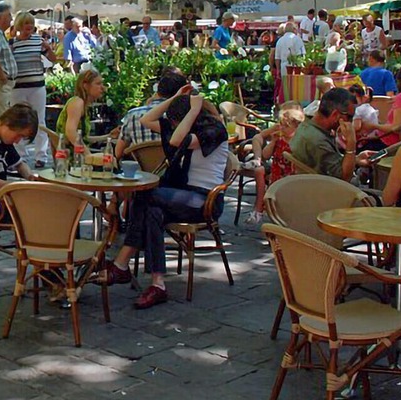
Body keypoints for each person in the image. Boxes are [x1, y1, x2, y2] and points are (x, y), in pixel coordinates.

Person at [96, 71, 230, 309]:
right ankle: (158, 284)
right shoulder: (179, 124)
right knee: (152, 211)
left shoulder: (214, 131)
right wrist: (175, 97)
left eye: (176, 120)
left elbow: (178, 140)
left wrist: (191, 111)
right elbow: (146, 120)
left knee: (147, 195)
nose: (172, 125)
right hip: (177, 196)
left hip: (203, 199)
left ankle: (121, 264)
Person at [242, 103, 307, 225]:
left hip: (291, 176)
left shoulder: (299, 142)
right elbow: (266, 155)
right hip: (277, 174)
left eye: (285, 127)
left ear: (296, 127)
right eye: (281, 125)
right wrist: (273, 142)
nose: (281, 129)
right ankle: (271, 218)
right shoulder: (280, 139)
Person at [10, 12, 59, 162]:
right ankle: (21, 155)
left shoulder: (38, 41)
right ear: (19, 25)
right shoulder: (12, 43)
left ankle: (41, 156)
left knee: (40, 120)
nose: (29, 26)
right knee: (18, 120)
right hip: (18, 87)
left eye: (31, 23)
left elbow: (54, 59)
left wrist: (48, 49)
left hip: (37, 85)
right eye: (25, 23)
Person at [290, 87, 366, 180]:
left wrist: (355, 159)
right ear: (335, 115)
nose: (350, 122)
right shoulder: (317, 140)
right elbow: (344, 178)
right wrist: (351, 143)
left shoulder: (308, 125)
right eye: (349, 117)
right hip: (330, 191)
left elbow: (330, 161)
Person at [57, 68, 105, 148]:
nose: (102, 88)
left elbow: (84, 139)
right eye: (98, 84)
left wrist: (108, 136)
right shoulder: (77, 103)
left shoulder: (83, 105)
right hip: (73, 156)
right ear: (85, 86)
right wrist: (87, 154)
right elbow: (71, 133)